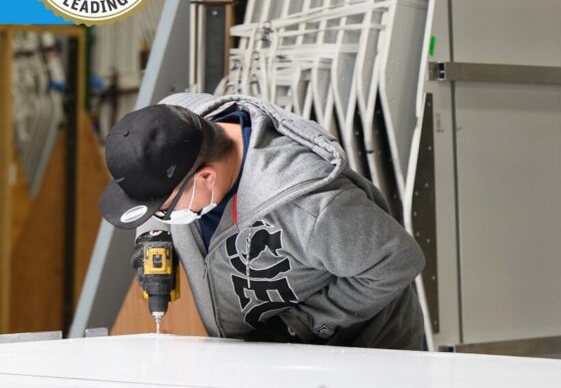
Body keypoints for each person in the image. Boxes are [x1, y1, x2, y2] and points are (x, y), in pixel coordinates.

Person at [100, 93, 426, 350]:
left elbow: (396, 262)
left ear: (206, 178)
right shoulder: (174, 122)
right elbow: (157, 191)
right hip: (263, 358)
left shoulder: (311, 208)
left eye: (164, 210)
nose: (163, 217)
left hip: (359, 360)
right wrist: (154, 233)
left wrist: (300, 325)